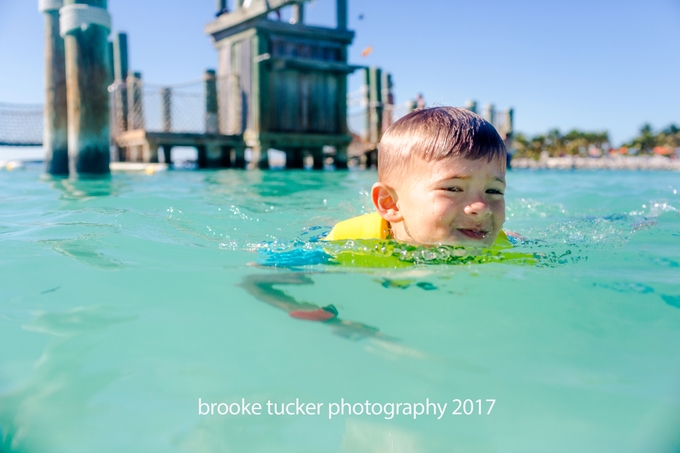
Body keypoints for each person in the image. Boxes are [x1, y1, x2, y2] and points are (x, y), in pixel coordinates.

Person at [324, 106, 509, 248]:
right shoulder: (345, 242)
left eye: (494, 190)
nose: (483, 208)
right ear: (390, 203)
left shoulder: (502, 245)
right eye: (453, 188)